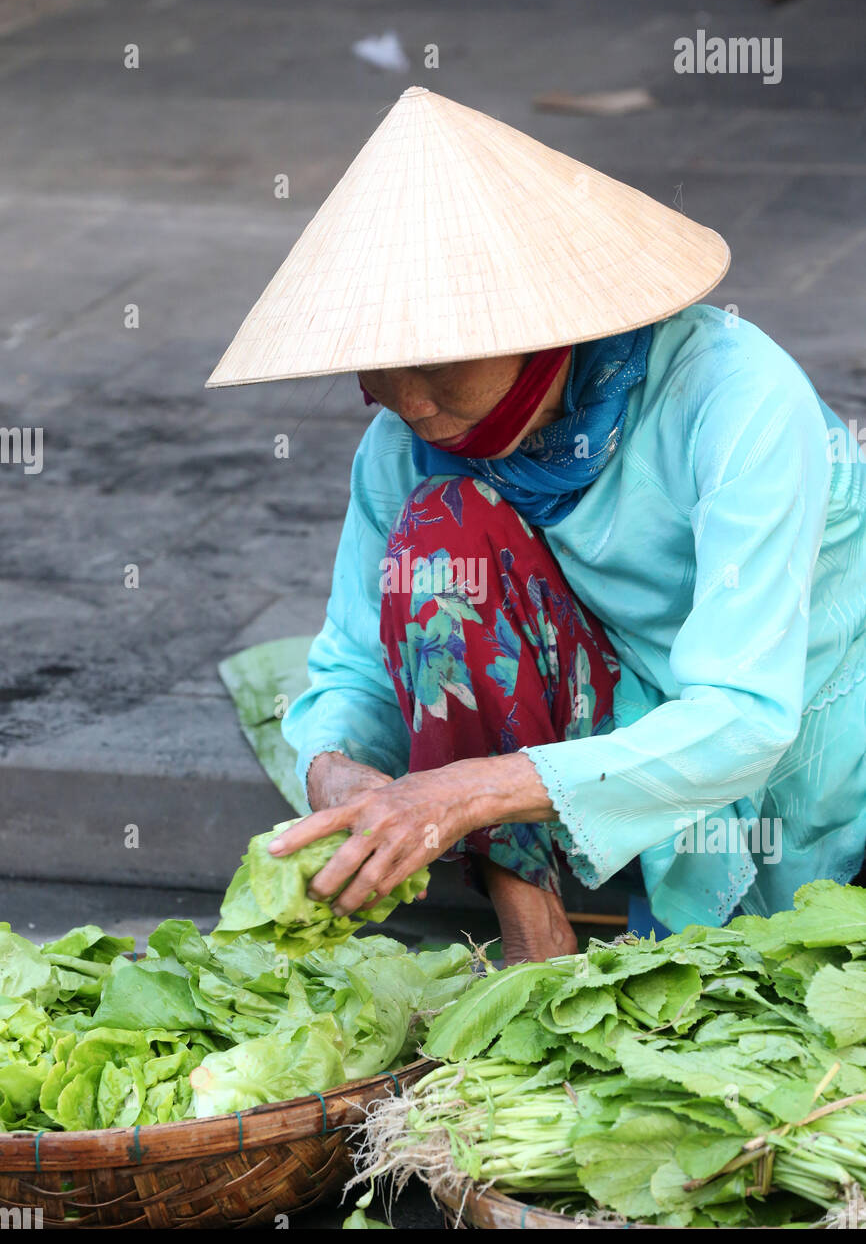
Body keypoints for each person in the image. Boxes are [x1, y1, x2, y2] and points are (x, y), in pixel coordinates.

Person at [208, 88, 866, 963]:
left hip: (797, 747)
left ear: (547, 325)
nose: (411, 400)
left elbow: (744, 717)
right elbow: (354, 666)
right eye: (383, 364)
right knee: (443, 540)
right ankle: (530, 930)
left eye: (440, 360)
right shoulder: (402, 447)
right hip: (608, 714)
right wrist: (334, 769)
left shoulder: (736, 399)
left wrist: (464, 792)